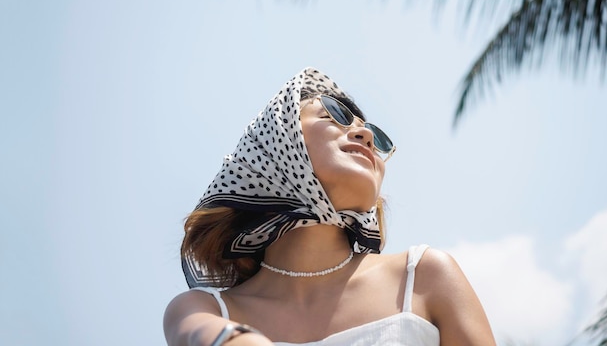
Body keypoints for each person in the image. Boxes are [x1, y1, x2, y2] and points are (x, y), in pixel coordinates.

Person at [164, 67, 496, 346]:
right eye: (334, 116)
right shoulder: (206, 310)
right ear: (279, 141)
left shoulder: (424, 275)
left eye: (374, 137)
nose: (365, 135)